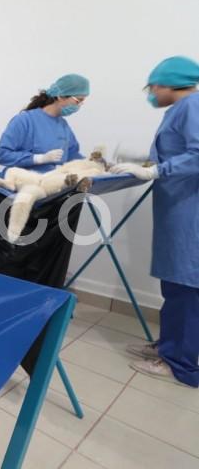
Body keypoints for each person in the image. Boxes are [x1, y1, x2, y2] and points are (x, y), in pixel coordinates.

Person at [114, 56, 199, 389]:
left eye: (152, 87)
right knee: (175, 285)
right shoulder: (182, 109)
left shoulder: (192, 106)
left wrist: (155, 171)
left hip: (189, 212)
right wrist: (140, 161)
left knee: (186, 289)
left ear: (167, 83)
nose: (150, 93)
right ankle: (168, 346)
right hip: (177, 207)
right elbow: (179, 153)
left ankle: (179, 363)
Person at [0, 74, 89, 173]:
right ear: (61, 96)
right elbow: (2, 155)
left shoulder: (63, 125)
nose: (79, 106)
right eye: (78, 101)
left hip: (51, 183)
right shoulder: (25, 120)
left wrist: (91, 163)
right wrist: (39, 158)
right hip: (24, 183)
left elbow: (72, 155)